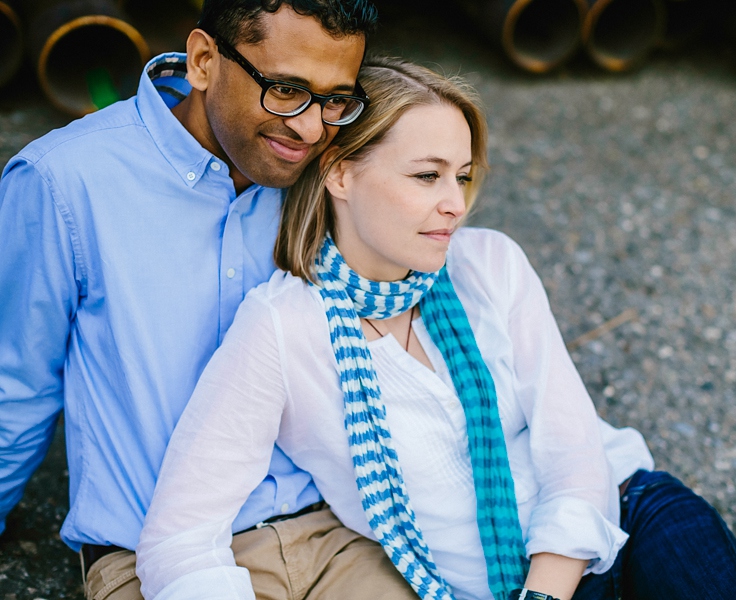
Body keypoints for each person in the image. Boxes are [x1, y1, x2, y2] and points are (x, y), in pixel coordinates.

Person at [136, 56, 736, 600]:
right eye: (426, 175)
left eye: (461, 175)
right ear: (340, 173)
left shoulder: (490, 264)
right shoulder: (282, 330)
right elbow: (180, 536)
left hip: (623, 524)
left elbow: (575, 453)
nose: (456, 204)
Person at [0, 2, 422, 599]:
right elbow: (14, 382)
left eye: (333, 99)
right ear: (203, 61)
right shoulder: (63, 182)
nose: (308, 128)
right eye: (285, 90)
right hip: (150, 555)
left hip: (338, 537)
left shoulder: (332, 166)